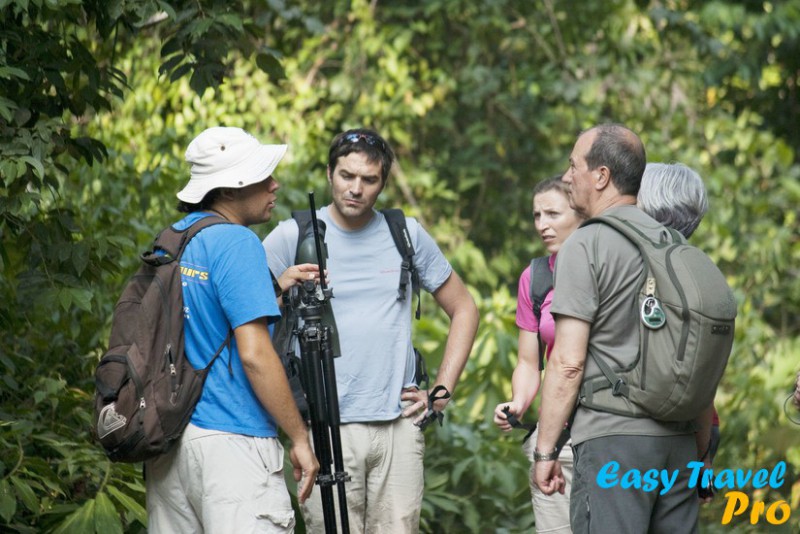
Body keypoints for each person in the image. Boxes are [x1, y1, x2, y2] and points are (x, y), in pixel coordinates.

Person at [263, 127, 480, 533]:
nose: (356, 189)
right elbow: (244, 320)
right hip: (322, 425)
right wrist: (279, 287)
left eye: (369, 180)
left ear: (383, 182)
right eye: (347, 176)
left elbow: (465, 309)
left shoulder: (406, 235)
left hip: (397, 425)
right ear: (329, 174)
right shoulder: (293, 235)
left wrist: (442, 392)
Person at [145, 126, 319, 532]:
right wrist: (298, 437)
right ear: (229, 189)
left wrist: (274, 288)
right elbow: (255, 355)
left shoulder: (174, 240)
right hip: (232, 443)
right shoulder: (238, 243)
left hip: (172, 443)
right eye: (262, 177)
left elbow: (203, 320)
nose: (274, 184)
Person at [534, 124, 707, 533]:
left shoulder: (587, 243)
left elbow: (568, 362)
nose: (567, 176)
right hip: (679, 443)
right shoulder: (674, 243)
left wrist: (545, 452)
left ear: (601, 177)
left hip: (614, 442)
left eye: (573, 165)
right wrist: (701, 453)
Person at [493, 176, 584, 533]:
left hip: (608, 434)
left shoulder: (608, 267)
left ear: (581, 212)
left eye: (552, 214)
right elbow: (530, 362)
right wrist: (517, 401)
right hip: (555, 438)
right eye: (536, 215)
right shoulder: (534, 277)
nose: (542, 225)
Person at [638, 162, 720, 468]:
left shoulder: (638, 273)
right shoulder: (701, 273)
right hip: (696, 425)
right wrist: (704, 457)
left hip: (641, 435)